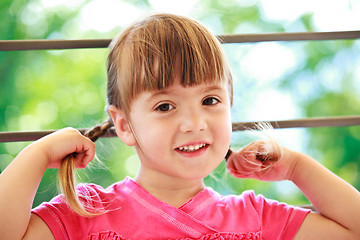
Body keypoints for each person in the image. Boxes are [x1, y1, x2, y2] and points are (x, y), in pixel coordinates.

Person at [0, 13, 360, 240]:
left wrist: (297, 168)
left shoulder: (256, 219)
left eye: (210, 101)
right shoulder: (86, 213)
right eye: (165, 106)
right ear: (124, 125)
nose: (193, 123)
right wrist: (38, 154)